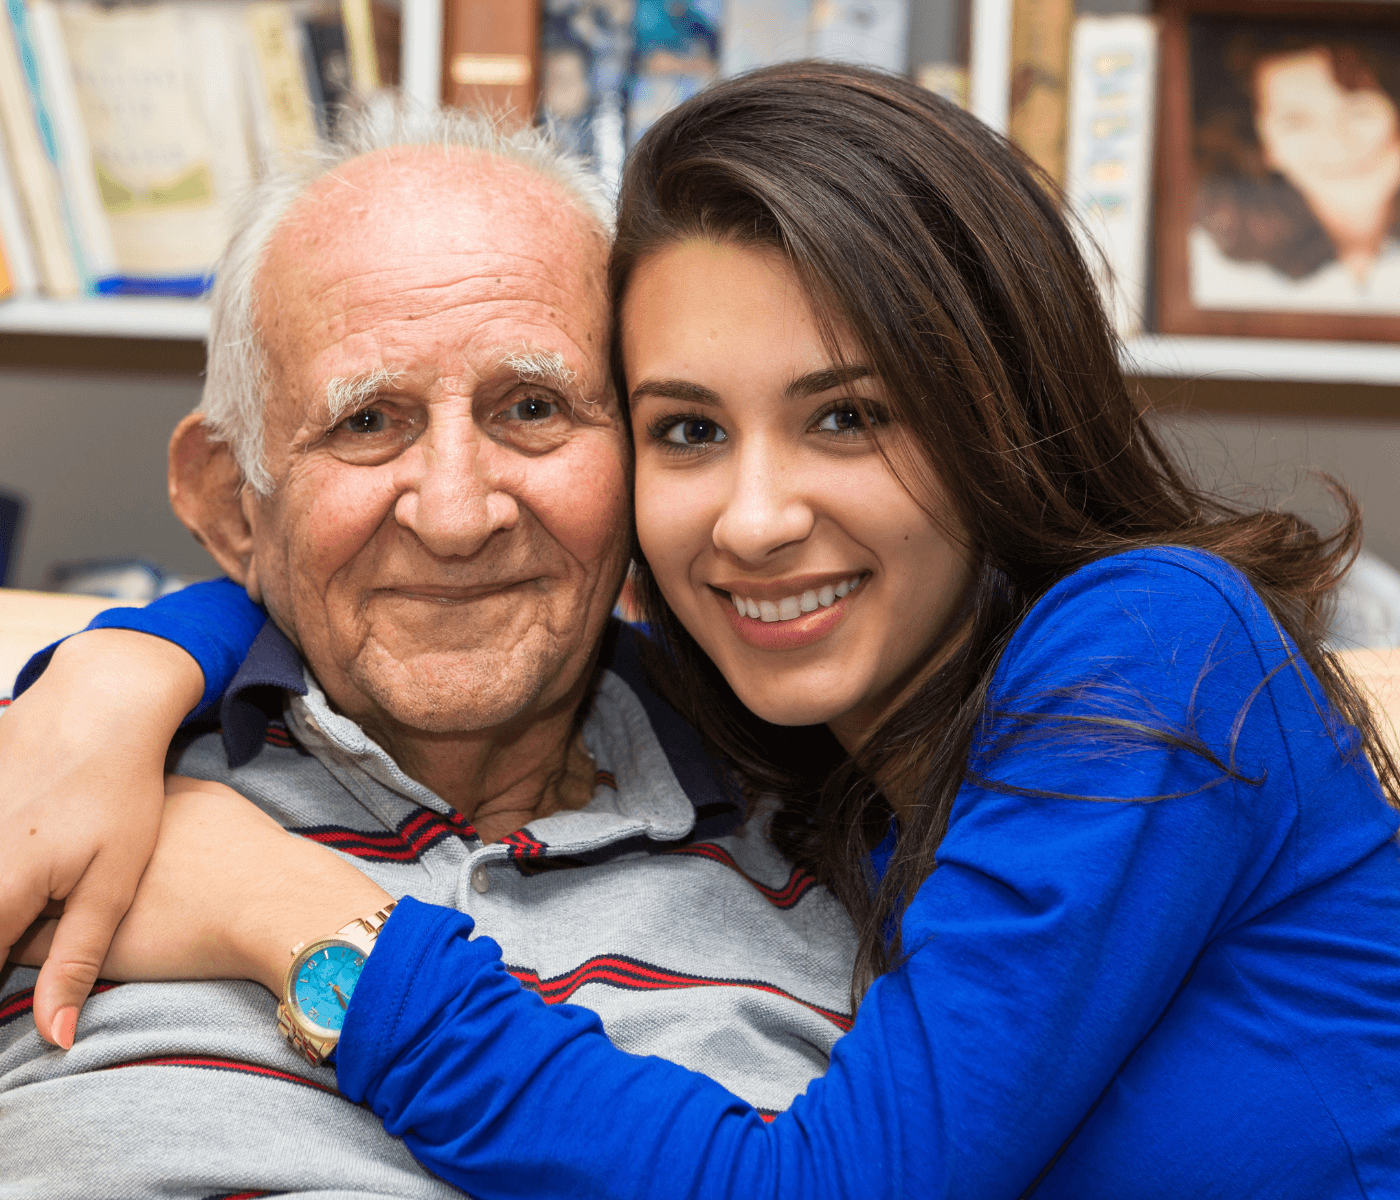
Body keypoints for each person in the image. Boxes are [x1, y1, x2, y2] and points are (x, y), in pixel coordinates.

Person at [10, 62, 1400, 1198]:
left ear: (994, 418)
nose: (750, 522)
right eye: (687, 429)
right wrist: (135, 660)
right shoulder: (816, 775)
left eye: (847, 415)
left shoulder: (1153, 653)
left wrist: (297, 917)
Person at [0, 101, 860, 1197]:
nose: (456, 515)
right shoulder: (53, 791)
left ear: (650, 465)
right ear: (233, 501)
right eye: (367, 422)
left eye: (533, 407)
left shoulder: (849, 843)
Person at [1192, 30, 1400, 311]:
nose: (1337, 143)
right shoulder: (1210, 266)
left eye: (1358, 110)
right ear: (1265, 148)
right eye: (1295, 122)